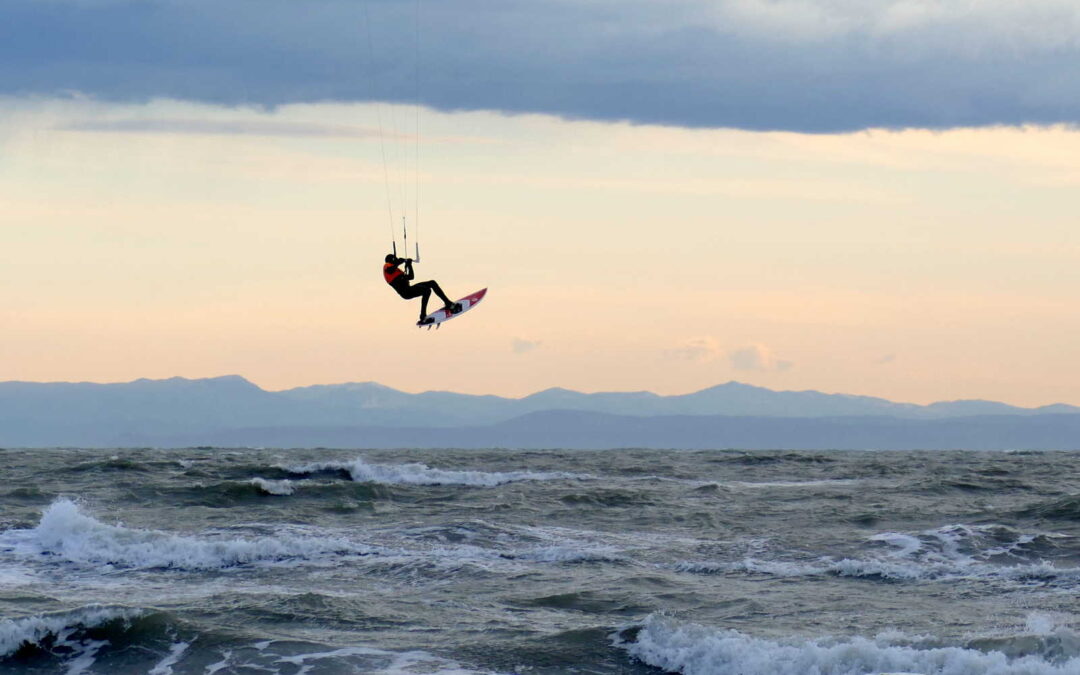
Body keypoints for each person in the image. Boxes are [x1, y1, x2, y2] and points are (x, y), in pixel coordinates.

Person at [383, 254, 461, 324]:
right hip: (406, 292)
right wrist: (399, 262)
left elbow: (411, 277)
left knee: (432, 283)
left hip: (409, 289)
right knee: (426, 291)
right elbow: (390, 269)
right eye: (395, 259)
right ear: (392, 260)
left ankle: (448, 303)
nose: (396, 260)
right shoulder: (386, 266)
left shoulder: (397, 270)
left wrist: (409, 265)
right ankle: (423, 316)